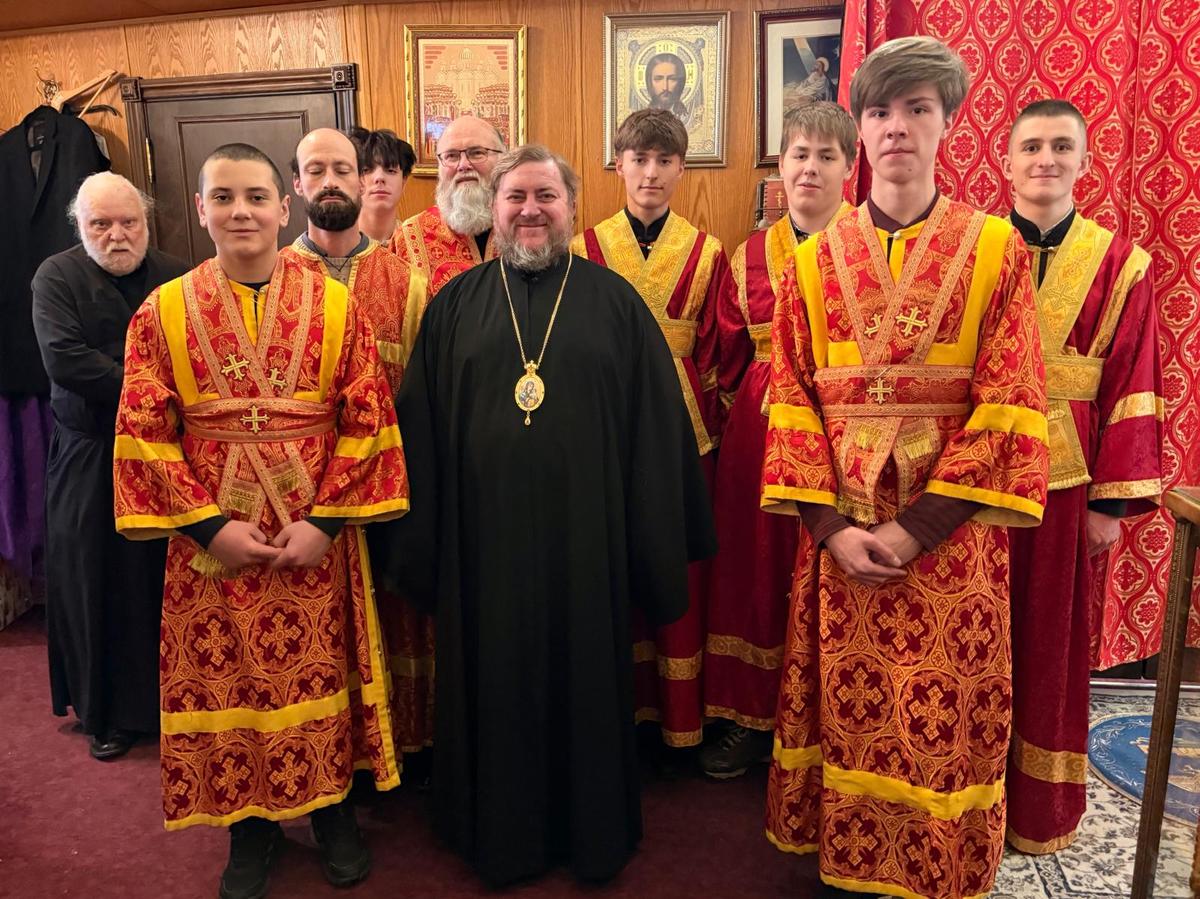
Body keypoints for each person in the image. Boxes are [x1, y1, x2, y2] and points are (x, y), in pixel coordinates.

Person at [369, 144, 715, 887]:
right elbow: (418, 434)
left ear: (571, 208)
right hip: (481, 550)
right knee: (490, 682)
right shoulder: (454, 305)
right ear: (493, 210)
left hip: (588, 544)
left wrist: (649, 542)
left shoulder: (615, 303)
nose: (530, 210)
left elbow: (656, 433)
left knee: (585, 681)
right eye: (516, 197)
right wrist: (421, 547)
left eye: (546, 197)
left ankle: (590, 830)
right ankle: (490, 829)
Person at [761, 37, 1049, 898]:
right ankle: (848, 866)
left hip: (951, 542)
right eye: (881, 111)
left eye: (917, 108)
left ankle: (937, 867)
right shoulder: (810, 262)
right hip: (841, 537)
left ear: (947, 122)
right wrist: (829, 528)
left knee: (944, 713)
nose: (896, 127)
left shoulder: (996, 250)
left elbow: (1010, 401)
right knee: (848, 708)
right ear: (861, 126)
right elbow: (791, 399)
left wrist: (917, 528)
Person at [113, 142, 410, 899]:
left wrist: (328, 523)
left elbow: (368, 416)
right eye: (223, 197)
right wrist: (208, 527)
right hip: (211, 549)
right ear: (201, 209)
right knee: (229, 684)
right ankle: (248, 827)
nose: (240, 211)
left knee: (322, 672)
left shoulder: (337, 306)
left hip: (314, 540)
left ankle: (333, 811)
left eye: (255, 197)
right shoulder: (160, 312)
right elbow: (144, 432)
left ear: (284, 207)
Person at [1002, 99, 1163, 854]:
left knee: (1049, 642)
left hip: (1067, 483)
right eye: (1032, 145)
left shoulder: (1121, 263)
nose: (1046, 159)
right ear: (1007, 160)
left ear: (1085, 160)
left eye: (1061, 146)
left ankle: (1036, 806)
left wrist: (1111, 502)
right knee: (973, 634)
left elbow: (1133, 380)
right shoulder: (975, 249)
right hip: (974, 476)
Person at [700, 101, 855, 779]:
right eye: (799, 155)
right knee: (754, 572)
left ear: (849, 168)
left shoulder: (869, 245)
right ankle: (748, 715)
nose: (810, 169)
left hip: (843, 433)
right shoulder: (749, 256)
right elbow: (725, 356)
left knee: (827, 572)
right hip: (758, 437)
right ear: (781, 167)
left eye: (826, 156)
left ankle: (826, 722)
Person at [571, 108, 731, 750]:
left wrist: (714, 430)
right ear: (619, 165)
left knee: (678, 564)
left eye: (665, 161)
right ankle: (614, 711)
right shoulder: (583, 248)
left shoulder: (707, 251)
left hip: (684, 430)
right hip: (603, 428)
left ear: (682, 169)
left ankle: (679, 717)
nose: (651, 173)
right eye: (639, 159)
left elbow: (716, 354)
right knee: (607, 561)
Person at [281, 126, 431, 757]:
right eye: (315, 170)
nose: (331, 182)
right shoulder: (274, 277)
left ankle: (402, 746)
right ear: (296, 185)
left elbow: (421, 397)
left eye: (343, 169)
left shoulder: (405, 281)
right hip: (300, 500)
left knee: (397, 618)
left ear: (361, 178)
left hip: (386, 491)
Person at [32, 172, 189, 761]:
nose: (117, 235)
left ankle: (173, 702)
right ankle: (107, 715)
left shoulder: (178, 274)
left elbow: (196, 354)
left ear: (147, 223)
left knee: (158, 582)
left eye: (129, 222)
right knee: (93, 581)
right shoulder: (56, 277)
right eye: (101, 224)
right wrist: (153, 387)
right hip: (90, 454)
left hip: (166, 454)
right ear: (80, 226)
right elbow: (66, 361)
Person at [393, 115, 504, 296]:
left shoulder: (526, 228)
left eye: (477, 153)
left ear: (503, 160)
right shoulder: (409, 238)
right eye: (451, 156)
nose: (463, 165)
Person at [349, 127, 416, 250]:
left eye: (390, 170)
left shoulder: (418, 246)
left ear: (404, 180)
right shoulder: (337, 247)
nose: (379, 178)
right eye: (366, 170)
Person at [644, 52, 689, 123]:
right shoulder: (643, 118)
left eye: (672, 79)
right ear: (649, 82)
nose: (665, 87)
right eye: (658, 79)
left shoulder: (688, 117)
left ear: (680, 83)